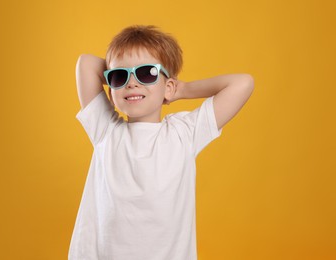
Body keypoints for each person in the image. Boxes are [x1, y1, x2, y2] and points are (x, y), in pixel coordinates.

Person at [69, 25, 254, 260]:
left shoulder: (183, 133)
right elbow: (85, 63)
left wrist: (181, 89)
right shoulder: (106, 130)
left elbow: (243, 83)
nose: (132, 83)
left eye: (146, 73)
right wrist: (123, 68)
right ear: (111, 86)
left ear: (169, 86)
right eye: (120, 76)